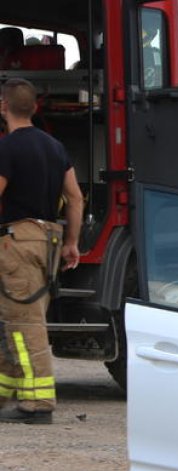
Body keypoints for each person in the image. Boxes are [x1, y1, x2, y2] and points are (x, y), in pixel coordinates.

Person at [0, 77, 83, 424]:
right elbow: (76, 198)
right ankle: (6, 391)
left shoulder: (6, 148)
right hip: (47, 240)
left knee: (23, 324)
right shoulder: (54, 147)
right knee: (10, 320)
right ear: (34, 107)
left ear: (3, 107)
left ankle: (37, 404)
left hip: (17, 241)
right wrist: (71, 243)